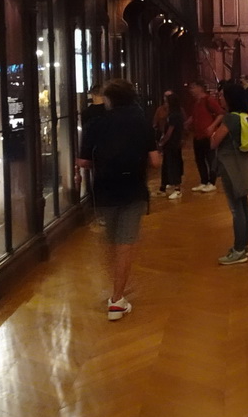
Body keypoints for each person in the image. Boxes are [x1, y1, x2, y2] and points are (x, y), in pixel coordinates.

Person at [76, 79, 160, 320]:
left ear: (109, 99)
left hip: (104, 189)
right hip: (133, 188)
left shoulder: (96, 124)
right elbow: (155, 161)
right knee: (125, 243)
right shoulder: (141, 122)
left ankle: (115, 289)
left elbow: (83, 162)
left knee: (111, 241)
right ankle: (117, 298)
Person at [210, 81, 248, 265]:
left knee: (236, 209)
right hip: (242, 165)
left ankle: (238, 250)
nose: (220, 98)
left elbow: (214, 142)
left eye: (222, 96)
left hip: (230, 166)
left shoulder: (230, 118)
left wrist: (213, 134)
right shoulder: (244, 116)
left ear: (229, 98)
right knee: (243, 206)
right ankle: (244, 246)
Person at [185, 81, 224, 192]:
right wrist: (189, 122)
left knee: (211, 159)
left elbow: (221, 113)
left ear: (199, 88)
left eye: (193, 87)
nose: (191, 91)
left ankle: (211, 182)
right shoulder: (196, 102)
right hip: (197, 135)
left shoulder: (209, 100)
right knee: (199, 159)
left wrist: (212, 126)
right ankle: (204, 181)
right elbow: (195, 115)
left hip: (207, 136)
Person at [155, 91, 185, 200]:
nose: (165, 104)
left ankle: (177, 189)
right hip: (172, 144)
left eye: (167, 102)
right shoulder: (175, 114)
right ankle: (163, 187)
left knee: (173, 165)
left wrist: (162, 142)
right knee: (167, 165)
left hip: (173, 144)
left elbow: (169, 132)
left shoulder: (174, 115)